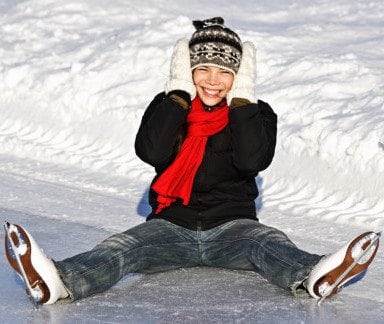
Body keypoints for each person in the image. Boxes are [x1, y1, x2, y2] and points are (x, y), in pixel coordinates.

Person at [4, 17, 380, 306]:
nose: (213, 81)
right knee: (121, 248)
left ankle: (314, 275)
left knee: (269, 244)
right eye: (202, 70)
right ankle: (58, 282)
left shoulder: (256, 113)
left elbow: (252, 161)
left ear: (239, 77)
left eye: (225, 73)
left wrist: (243, 102)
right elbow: (151, 153)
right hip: (170, 227)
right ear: (188, 72)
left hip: (234, 227)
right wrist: (178, 95)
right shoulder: (169, 105)